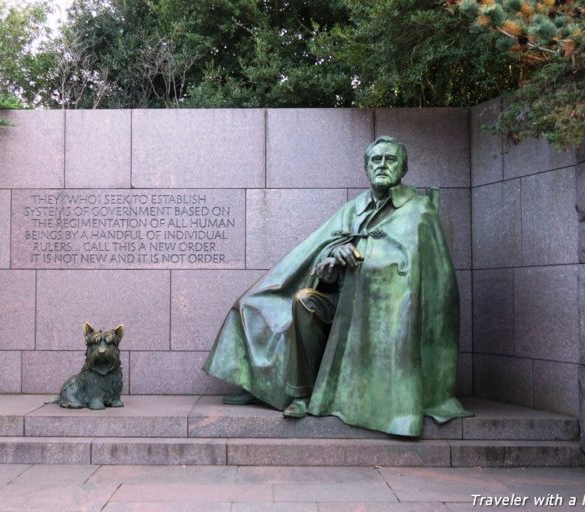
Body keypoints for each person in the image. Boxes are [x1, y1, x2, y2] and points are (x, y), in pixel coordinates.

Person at [202, 135, 471, 437]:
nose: (382, 165)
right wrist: (332, 256)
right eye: (375, 160)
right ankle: (289, 391)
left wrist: (363, 261)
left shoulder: (419, 210)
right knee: (282, 301)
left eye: (390, 159)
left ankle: (325, 395)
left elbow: (424, 277)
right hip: (339, 299)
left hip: (379, 312)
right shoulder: (354, 207)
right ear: (367, 168)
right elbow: (321, 248)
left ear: (404, 167)